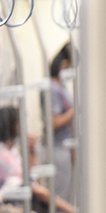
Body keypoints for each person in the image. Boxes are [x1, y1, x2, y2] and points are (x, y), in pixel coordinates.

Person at [0, 107, 80, 213]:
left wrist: (31, 151)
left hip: (25, 211)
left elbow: (32, 177)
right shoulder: (0, 158)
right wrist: (70, 209)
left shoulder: (11, 152)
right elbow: (35, 188)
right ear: (13, 125)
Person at [48, 43, 75, 202]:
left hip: (65, 147)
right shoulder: (52, 88)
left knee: (68, 193)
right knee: (61, 196)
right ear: (64, 65)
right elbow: (54, 122)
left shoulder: (61, 87)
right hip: (57, 149)